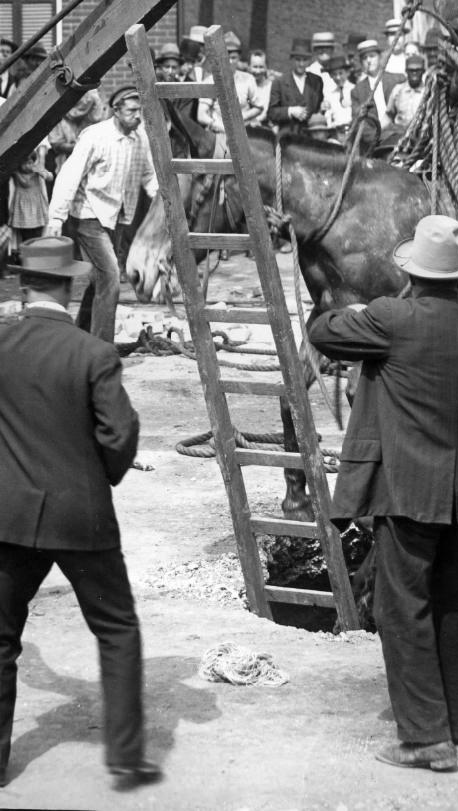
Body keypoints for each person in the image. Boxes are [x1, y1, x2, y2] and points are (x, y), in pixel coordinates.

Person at [308, 215, 458, 773]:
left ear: (411, 274)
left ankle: (424, 738)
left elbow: (322, 332)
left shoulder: (389, 318)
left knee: (402, 608)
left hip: (408, 491)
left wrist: (353, 308)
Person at [0, 235, 158, 791]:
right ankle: (126, 760)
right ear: (70, 287)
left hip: (9, 517)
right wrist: (101, 475)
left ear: (23, 285)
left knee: (1, 639)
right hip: (80, 518)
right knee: (116, 629)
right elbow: (119, 434)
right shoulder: (94, 353)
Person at [46, 86, 157, 344]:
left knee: (100, 280)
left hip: (116, 217)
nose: (137, 116)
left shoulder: (141, 138)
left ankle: (81, 334)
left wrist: (165, 204)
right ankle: (101, 348)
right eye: (131, 111)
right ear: (116, 111)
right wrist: (56, 218)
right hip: (88, 214)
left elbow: (149, 176)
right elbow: (69, 175)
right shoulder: (95, 136)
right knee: (110, 277)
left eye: (139, 111)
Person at [197, 31, 263, 149]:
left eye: (234, 57)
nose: (230, 61)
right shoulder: (210, 81)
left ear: (239, 58)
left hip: (244, 134)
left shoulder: (248, 79)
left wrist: (242, 117)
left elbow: (259, 107)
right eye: (226, 57)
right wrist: (218, 125)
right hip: (218, 135)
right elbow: (201, 114)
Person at [268, 38, 324, 138]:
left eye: (305, 60)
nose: (301, 64)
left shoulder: (316, 81)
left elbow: (319, 107)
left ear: (309, 61)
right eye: (298, 60)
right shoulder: (279, 82)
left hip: (310, 135)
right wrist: (290, 111)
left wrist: (323, 107)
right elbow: (272, 112)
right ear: (292, 59)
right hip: (287, 136)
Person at [385, 54, 426, 132]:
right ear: (406, 71)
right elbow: (388, 115)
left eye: (418, 70)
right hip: (399, 132)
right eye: (411, 70)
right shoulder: (398, 90)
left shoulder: (427, 92)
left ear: (423, 71)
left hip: (420, 133)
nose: (414, 73)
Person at [248, 50, 273, 127]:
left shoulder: (271, 86)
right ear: (249, 67)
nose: (258, 71)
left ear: (266, 68)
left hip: (264, 126)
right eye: (255, 67)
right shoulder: (244, 84)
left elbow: (267, 110)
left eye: (261, 67)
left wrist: (257, 120)